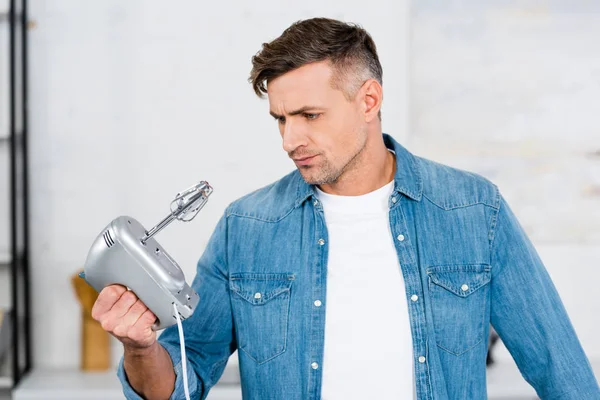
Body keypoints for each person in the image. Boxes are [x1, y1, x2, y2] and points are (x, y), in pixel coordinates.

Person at [91, 17, 600, 400]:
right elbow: (184, 381)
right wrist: (140, 349)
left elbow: (561, 369)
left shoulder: (472, 209)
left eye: (310, 115)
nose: (292, 139)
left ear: (369, 100)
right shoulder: (245, 227)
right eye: (280, 120)